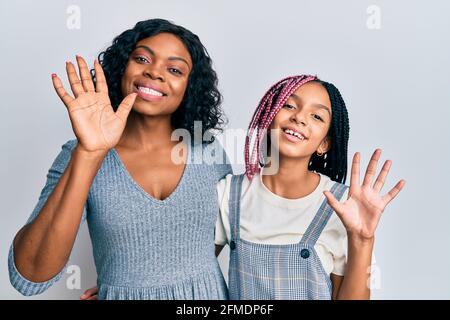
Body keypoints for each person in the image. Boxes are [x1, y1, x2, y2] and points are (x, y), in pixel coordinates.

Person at [8, 19, 231, 300]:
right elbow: (30, 275)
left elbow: (223, 231)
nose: (154, 72)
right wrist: (89, 154)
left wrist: (160, 281)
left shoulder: (207, 149)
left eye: (174, 69)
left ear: (190, 87)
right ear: (122, 68)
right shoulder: (78, 154)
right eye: (141, 58)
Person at [213, 75, 405, 299]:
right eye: (289, 105)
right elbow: (193, 274)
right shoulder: (229, 193)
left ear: (324, 143)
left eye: (316, 116)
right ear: (270, 116)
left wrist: (362, 240)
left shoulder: (344, 207)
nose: (299, 118)